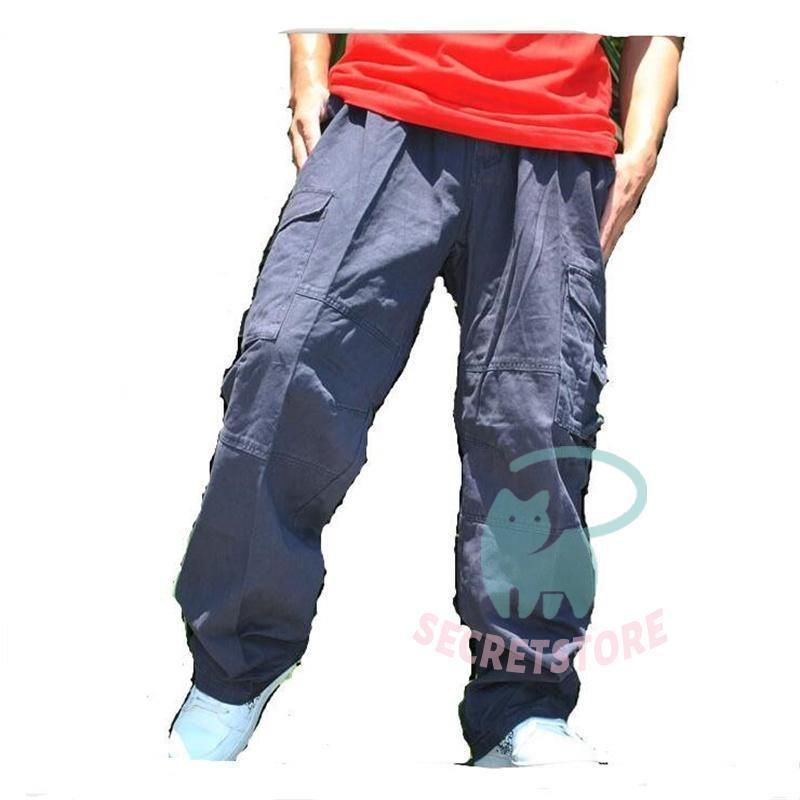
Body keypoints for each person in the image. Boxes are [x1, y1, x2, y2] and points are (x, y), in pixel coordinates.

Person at [167, 32, 682, 765]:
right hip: (387, 103)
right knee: (285, 371)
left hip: (556, 131)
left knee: (536, 423)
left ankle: (520, 706)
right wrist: (309, 75)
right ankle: (233, 669)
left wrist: (643, 146)